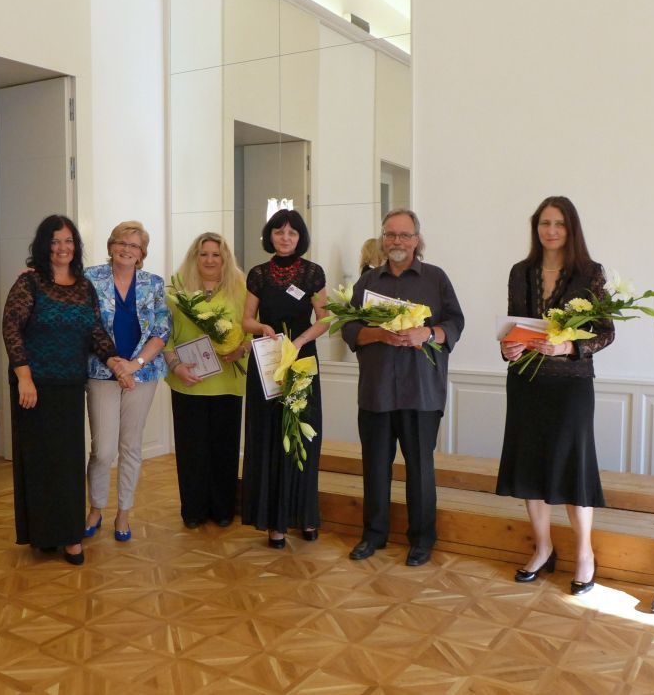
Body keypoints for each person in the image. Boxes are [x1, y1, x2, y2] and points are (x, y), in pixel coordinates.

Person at [496, 197, 614, 595]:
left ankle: (584, 554)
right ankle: (543, 547)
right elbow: (512, 327)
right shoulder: (520, 272)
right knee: (530, 466)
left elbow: (605, 332)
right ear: (536, 228)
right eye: (544, 223)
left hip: (571, 384)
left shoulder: (590, 273)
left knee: (573, 467)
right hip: (526, 383)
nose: (551, 231)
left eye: (559, 224)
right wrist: (509, 348)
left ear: (571, 228)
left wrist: (569, 347)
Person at [342, 209, 464, 567]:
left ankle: (422, 540)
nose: (397, 241)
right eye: (390, 234)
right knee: (375, 467)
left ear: (417, 240)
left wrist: (427, 333)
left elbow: (455, 323)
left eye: (404, 235)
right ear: (383, 239)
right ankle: (373, 534)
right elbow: (349, 329)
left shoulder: (436, 279)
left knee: (420, 469)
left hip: (421, 391)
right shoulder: (367, 283)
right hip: (376, 390)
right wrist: (379, 334)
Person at [2, 215, 125, 565]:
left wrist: (114, 360)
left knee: (68, 464)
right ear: (44, 245)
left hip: (70, 385)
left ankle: (71, 537)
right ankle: (44, 534)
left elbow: (96, 331)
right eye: (55, 241)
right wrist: (24, 377)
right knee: (39, 463)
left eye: (68, 241)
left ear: (76, 246)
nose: (62, 247)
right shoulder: (30, 283)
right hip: (34, 387)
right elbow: (11, 328)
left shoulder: (84, 287)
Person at [240, 209, 330, 549]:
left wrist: (301, 341)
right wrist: (262, 328)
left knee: (302, 437)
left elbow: (325, 319)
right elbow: (246, 320)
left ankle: (304, 515)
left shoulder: (312, 273)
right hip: (267, 360)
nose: (285, 237)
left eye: (292, 232)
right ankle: (273, 523)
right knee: (268, 437)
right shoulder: (258, 274)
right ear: (270, 236)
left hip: (301, 359)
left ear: (300, 237)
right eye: (279, 231)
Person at [84, 221, 171, 542]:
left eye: (134, 245)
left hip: (142, 374)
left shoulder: (154, 283)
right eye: (121, 242)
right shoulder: (90, 278)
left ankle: (124, 512)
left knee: (131, 446)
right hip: (101, 372)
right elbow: (87, 324)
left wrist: (134, 365)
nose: (126, 249)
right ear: (110, 246)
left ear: (142, 253)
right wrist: (117, 367)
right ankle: (96, 508)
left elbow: (161, 330)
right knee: (103, 450)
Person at [163, 233, 250, 529]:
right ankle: (193, 510)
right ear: (194, 257)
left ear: (225, 258)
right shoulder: (176, 287)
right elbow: (163, 333)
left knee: (225, 448)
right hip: (188, 380)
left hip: (227, 381)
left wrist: (241, 349)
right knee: (191, 450)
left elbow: (251, 329)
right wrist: (175, 366)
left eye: (216, 254)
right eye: (204, 254)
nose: (210, 260)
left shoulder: (241, 288)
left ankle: (223, 509)